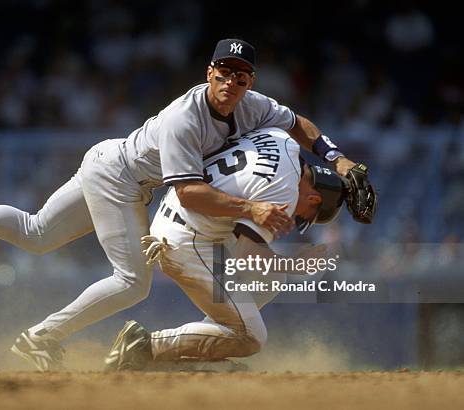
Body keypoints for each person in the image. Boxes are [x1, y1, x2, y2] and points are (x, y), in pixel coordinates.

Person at [0, 39, 357, 371]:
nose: (231, 82)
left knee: (34, 234)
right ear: (208, 73)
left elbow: (298, 124)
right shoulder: (183, 118)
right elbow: (190, 193)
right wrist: (251, 209)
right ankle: (40, 338)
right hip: (121, 177)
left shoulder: (252, 104)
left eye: (241, 74)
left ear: (249, 80)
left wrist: (337, 160)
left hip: (110, 159)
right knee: (133, 283)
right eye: (223, 72)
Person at [104, 127, 348, 371]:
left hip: (179, 216)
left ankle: (200, 352)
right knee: (250, 337)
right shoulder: (286, 191)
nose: (297, 218)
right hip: (187, 239)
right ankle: (144, 345)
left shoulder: (283, 142)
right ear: (314, 200)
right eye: (306, 216)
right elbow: (247, 257)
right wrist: (295, 265)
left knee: (270, 276)